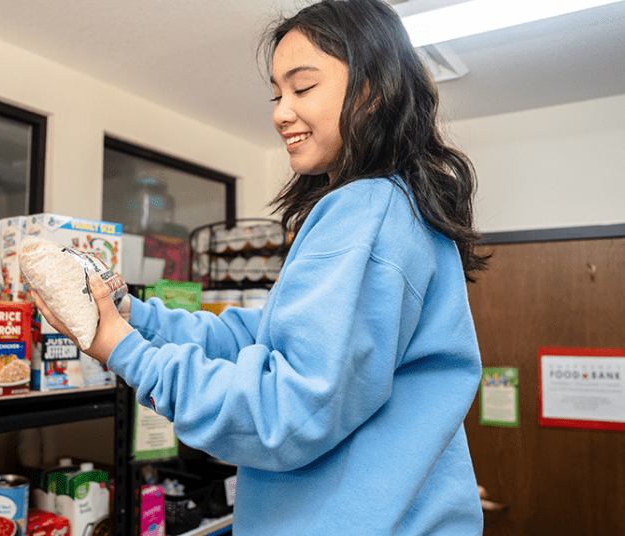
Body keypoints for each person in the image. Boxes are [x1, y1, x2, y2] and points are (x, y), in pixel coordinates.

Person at [33, 0, 489, 533]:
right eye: (277, 93)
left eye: (302, 88)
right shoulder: (390, 207)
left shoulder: (368, 209)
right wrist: (136, 317)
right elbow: (263, 340)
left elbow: (283, 415)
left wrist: (122, 350)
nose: (280, 112)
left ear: (372, 91)